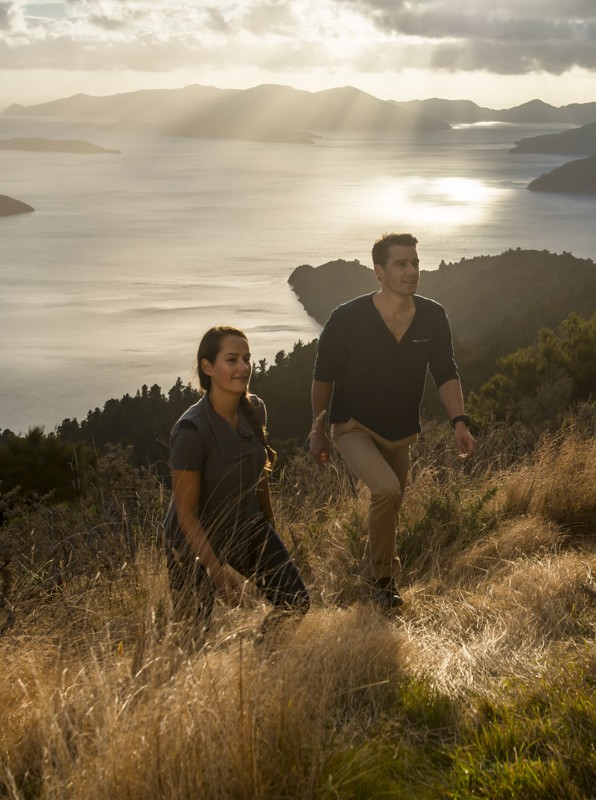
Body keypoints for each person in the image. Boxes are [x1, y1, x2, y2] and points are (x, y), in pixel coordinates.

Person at [309, 232, 476, 608]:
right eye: (401, 264)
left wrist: (460, 423)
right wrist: (317, 431)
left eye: (415, 263)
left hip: (402, 432)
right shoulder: (348, 318)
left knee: (391, 505)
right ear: (379, 271)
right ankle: (384, 583)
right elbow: (323, 376)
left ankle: (368, 578)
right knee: (386, 491)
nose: (412, 271)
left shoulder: (433, 316)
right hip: (352, 425)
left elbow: (445, 371)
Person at [164, 325, 309, 642]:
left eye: (247, 358)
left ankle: (261, 663)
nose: (244, 367)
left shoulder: (255, 409)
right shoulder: (191, 431)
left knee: (296, 602)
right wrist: (217, 575)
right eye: (232, 360)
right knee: (194, 637)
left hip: (245, 526)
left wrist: (271, 533)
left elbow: (260, 476)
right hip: (193, 543)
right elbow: (186, 514)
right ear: (208, 367)